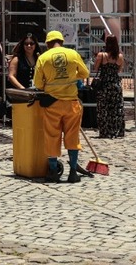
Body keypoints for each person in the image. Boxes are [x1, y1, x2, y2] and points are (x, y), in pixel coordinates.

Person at [32, 29, 91, 182]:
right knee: (72, 137)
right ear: (62, 42)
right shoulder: (73, 54)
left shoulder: (43, 58)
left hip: (53, 104)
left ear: (47, 44)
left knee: (52, 136)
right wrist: (71, 77)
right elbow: (85, 73)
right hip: (72, 103)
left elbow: (38, 83)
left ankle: (53, 171)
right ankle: (73, 172)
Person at [92, 33, 126, 139]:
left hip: (104, 84)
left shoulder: (101, 55)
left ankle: (105, 131)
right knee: (116, 108)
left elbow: (95, 68)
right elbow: (119, 70)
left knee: (103, 108)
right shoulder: (120, 57)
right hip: (115, 84)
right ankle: (116, 130)